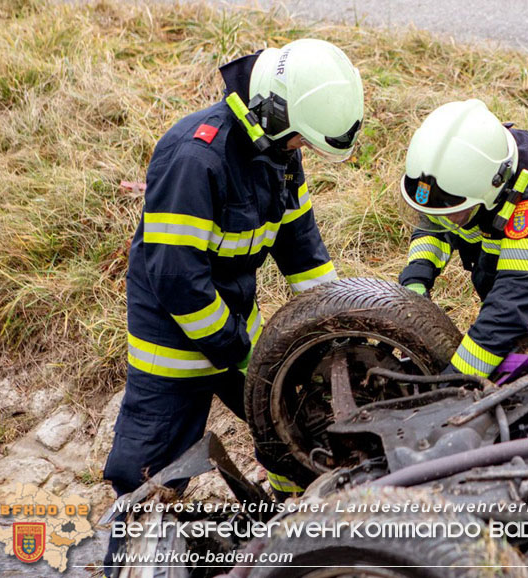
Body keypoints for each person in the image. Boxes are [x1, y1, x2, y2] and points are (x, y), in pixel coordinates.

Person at [103, 37, 363, 548]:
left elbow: (301, 247)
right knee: (149, 479)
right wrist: (242, 353)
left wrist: (335, 329)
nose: (303, 150)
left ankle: (297, 534)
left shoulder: (276, 148)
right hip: (173, 346)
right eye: (302, 141)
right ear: (272, 112)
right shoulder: (196, 159)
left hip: (237, 329)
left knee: (295, 427)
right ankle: (132, 556)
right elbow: (177, 279)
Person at [398, 99, 528, 379]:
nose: (447, 220)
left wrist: (457, 380)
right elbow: (435, 223)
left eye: (455, 214)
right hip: (518, 310)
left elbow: (514, 299)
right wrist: (417, 278)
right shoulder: (468, 172)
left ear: (492, 190)